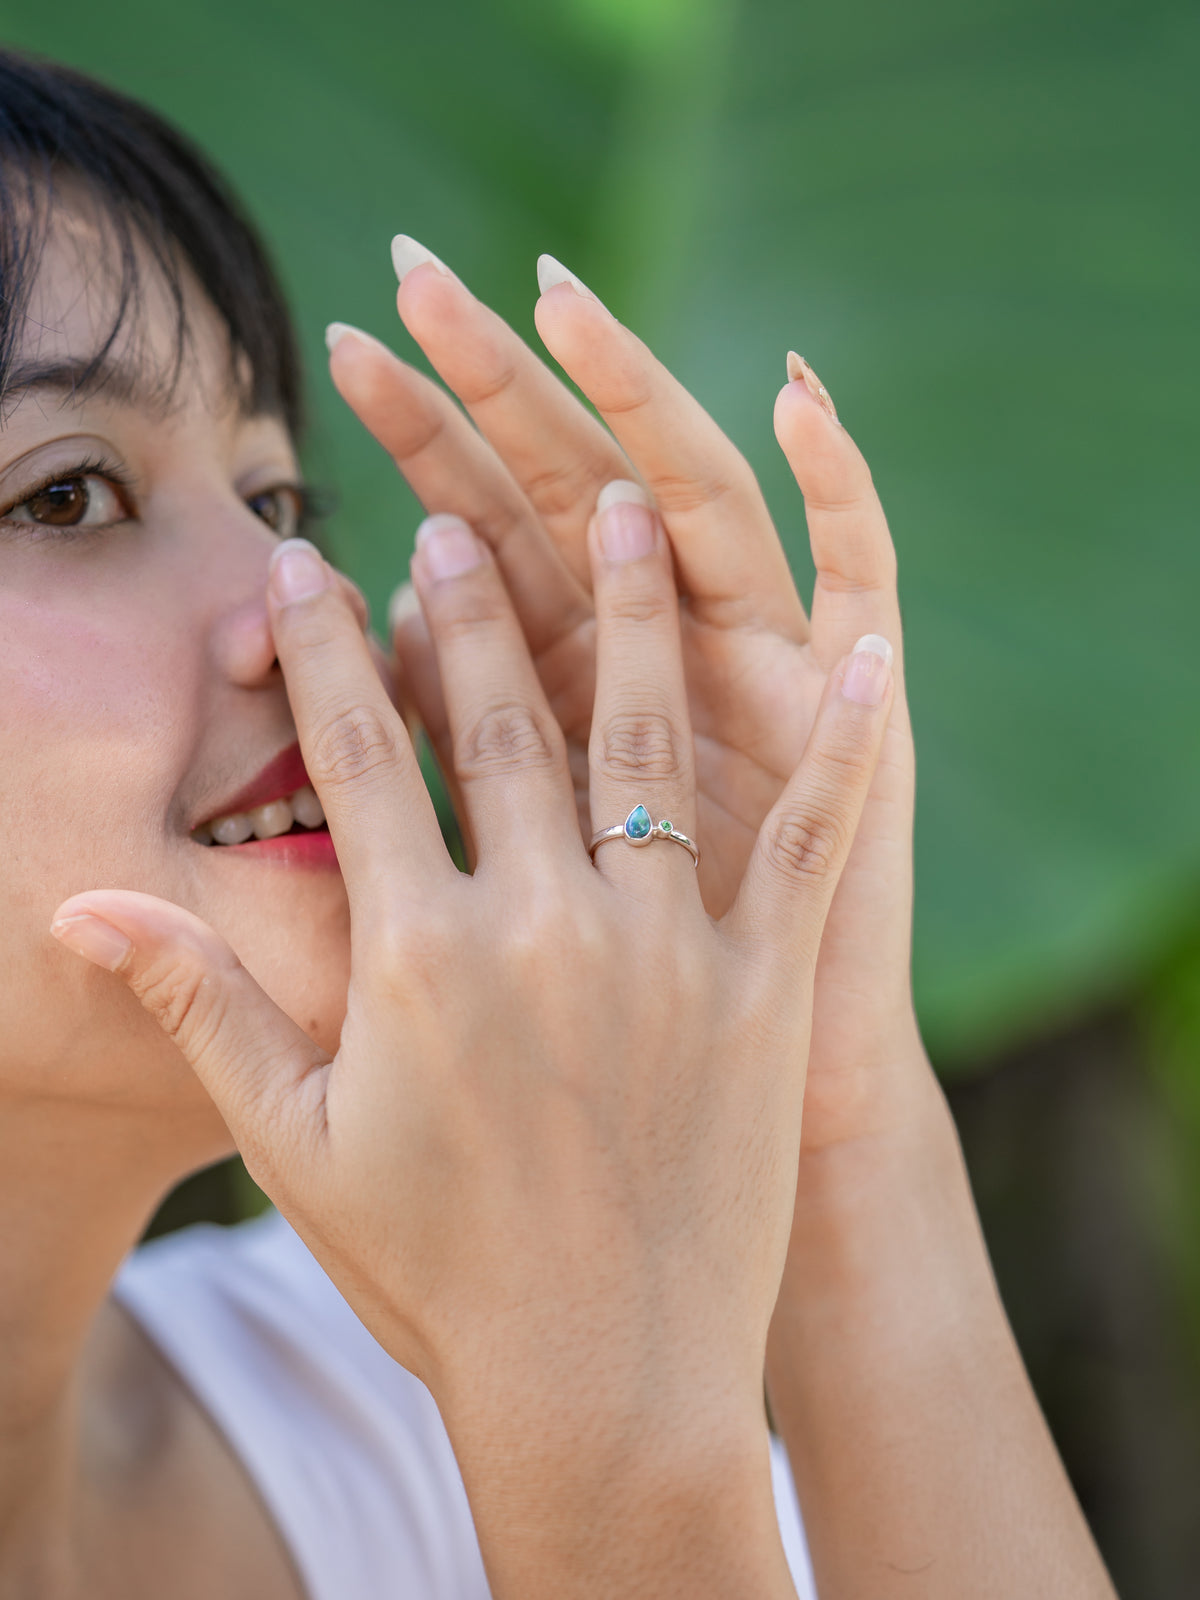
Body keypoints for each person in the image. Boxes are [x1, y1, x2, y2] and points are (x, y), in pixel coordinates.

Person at [0, 48, 1116, 1599]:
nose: (297, 600)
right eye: (65, 497)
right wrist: (598, 1444)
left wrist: (828, 1100)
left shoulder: (389, 1396)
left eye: (274, 502)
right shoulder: (506, 1366)